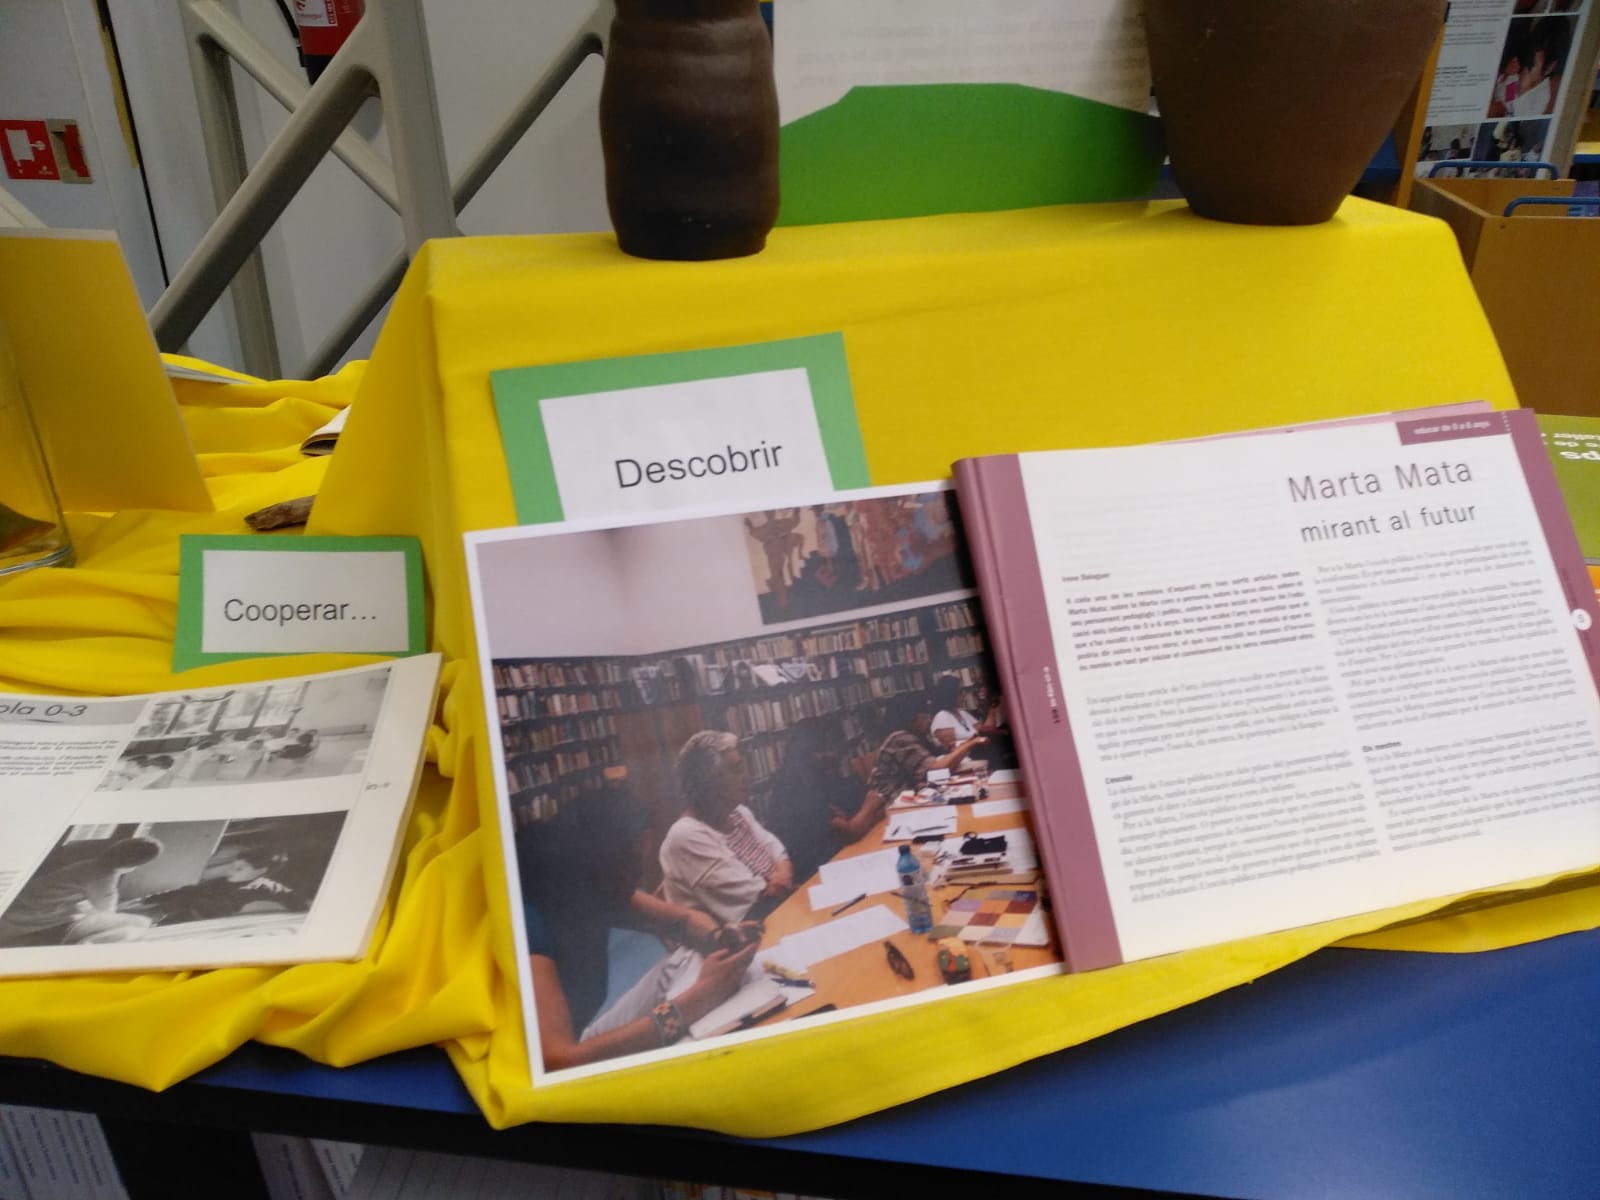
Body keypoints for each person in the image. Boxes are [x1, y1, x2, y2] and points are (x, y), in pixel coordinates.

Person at [519, 786, 759, 1072]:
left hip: (576, 1044)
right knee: (690, 1022)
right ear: (598, 862)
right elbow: (559, 1061)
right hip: (562, 1066)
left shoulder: (591, 889)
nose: (640, 879)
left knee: (690, 956)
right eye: (632, 864)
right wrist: (699, 998)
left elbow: (684, 920)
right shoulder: (532, 923)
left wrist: (719, 938)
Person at [659, 731, 795, 924]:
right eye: (736, 770)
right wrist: (781, 878)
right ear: (708, 782)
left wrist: (782, 874)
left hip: (777, 913)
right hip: (748, 931)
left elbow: (776, 850)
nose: (746, 777)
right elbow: (755, 899)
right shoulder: (686, 836)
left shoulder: (738, 812)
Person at [761, 717, 885, 883]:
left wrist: (864, 814)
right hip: (813, 876)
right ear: (802, 753)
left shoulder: (828, 778)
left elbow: (878, 807)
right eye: (819, 750)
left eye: (833, 747)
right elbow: (852, 830)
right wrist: (868, 808)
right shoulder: (794, 789)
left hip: (842, 859)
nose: (831, 755)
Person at [0, 836, 163, 947]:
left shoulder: (91, 864)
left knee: (129, 921)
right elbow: (106, 913)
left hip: (29, 906)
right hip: (44, 921)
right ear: (136, 863)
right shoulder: (104, 876)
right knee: (140, 923)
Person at [867, 692, 987, 800]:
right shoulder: (900, 738)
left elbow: (946, 750)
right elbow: (937, 770)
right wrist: (969, 744)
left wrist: (966, 743)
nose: (929, 721)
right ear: (910, 719)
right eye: (924, 717)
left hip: (914, 792)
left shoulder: (920, 734)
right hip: (892, 799)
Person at [134, 845, 300, 924]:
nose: (231, 870)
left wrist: (164, 911)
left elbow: (209, 909)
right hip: (189, 915)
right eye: (234, 865)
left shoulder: (254, 891)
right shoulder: (227, 880)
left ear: (259, 871)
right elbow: (191, 891)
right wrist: (147, 900)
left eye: (240, 868)